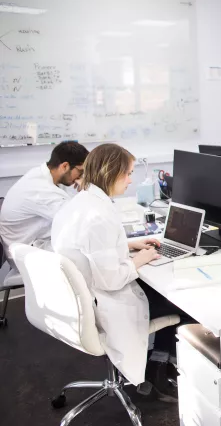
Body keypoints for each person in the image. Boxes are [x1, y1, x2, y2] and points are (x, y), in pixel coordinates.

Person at [51, 143, 189, 403]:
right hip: (104, 303)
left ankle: (158, 364)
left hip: (81, 299)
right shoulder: (99, 215)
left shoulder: (81, 202)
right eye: (128, 173)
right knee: (181, 302)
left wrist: (128, 245)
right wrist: (139, 259)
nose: (130, 180)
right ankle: (158, 372)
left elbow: (88, 249)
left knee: (159, 290)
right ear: (111, 173)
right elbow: (111, 279)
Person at [0, 141, 89, 253]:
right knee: (88, 245)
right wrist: (88, 192)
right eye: (80, 171)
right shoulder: (41, 190)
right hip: (27, 252)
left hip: (33, 241)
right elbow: (80, 220)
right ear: (65, 166)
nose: (81, 177)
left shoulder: (42, 175)